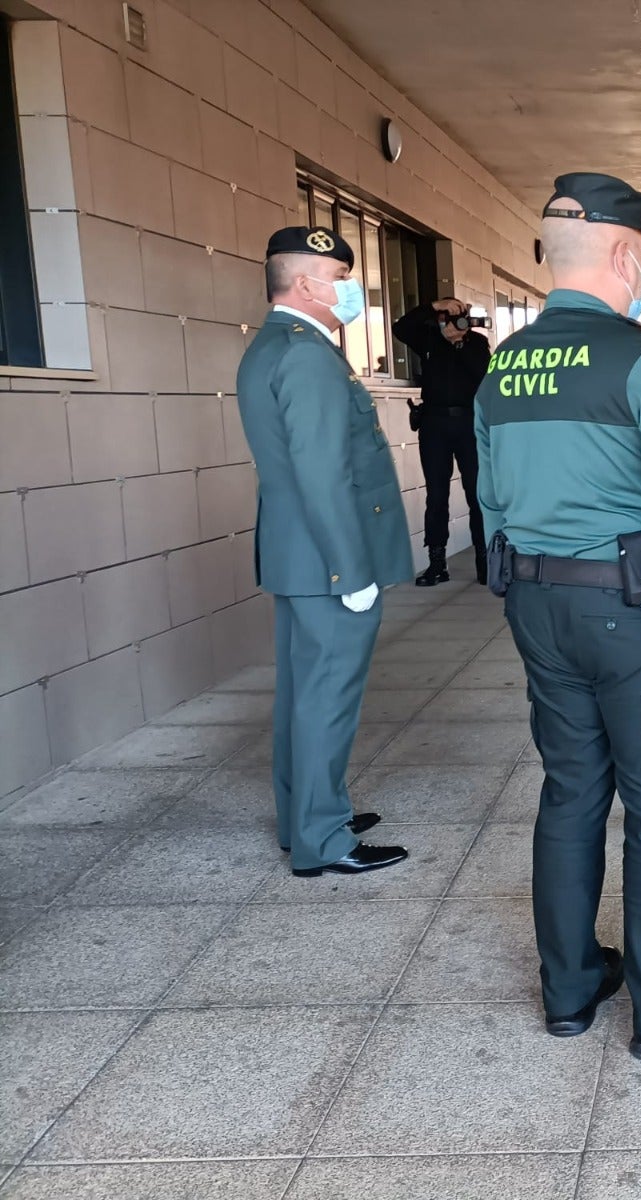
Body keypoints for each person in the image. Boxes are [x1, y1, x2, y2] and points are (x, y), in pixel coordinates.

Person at [475, 172, 641, 1063]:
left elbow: (489, 503)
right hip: (634, 612)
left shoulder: (501, 365)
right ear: (626, 254)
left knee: (570, 791)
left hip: (539, 606)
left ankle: (571, 991)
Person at [235, 226, 412, 878]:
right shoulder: (307, 354)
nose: (348, 288)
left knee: (304, 694)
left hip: (297, 555)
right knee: (326, 698)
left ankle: (306, 812)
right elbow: (322, 471)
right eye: (339, 275)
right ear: (306, 281)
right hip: (325, 560)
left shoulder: (275, 344)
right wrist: (351, 570)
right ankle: (322, 837)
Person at [392, 297, 491, 585]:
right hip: (434, 424)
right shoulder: (429, 339)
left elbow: (484, 375)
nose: (453, 323)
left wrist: (459, 344)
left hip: (468, 423)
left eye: (458, 317)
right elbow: (401, 328)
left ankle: (484, 561)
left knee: (476, 494)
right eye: (447, 317)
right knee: (437, 496)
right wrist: (434, 305)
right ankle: (437, 562)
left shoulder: (476, 343)